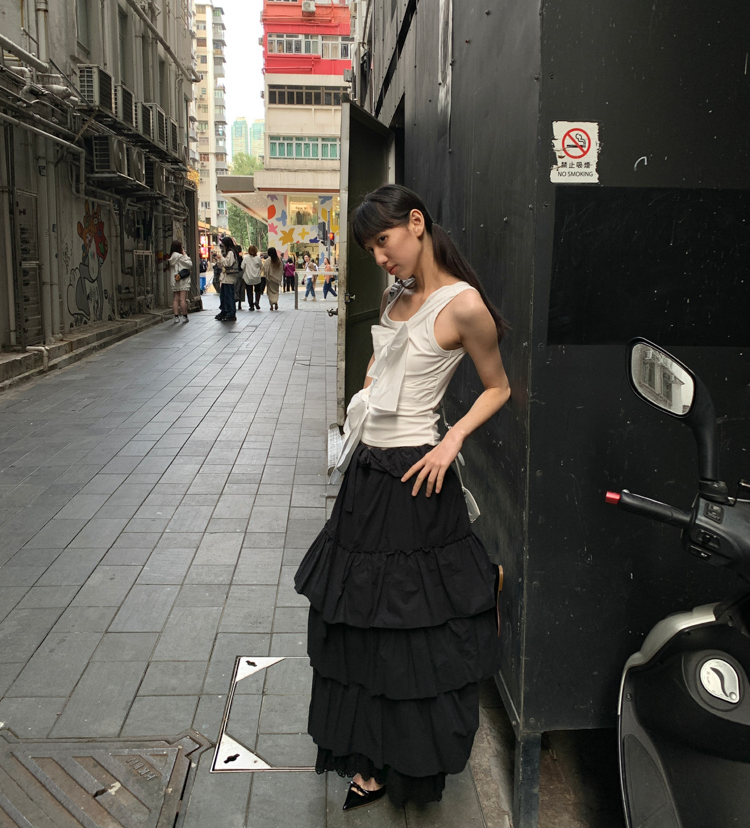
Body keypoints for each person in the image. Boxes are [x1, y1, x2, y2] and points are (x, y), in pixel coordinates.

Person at [294, 184, 511, 811]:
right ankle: (369, 757)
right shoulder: (396, 296)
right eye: (371, 249)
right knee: (360, 622)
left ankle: (409, 761)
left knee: (414, 627)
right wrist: (356, 425)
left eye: (383, 242)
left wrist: (452, 439)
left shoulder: (464, 305)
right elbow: (377, 374)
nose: (380, 258)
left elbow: (498, 387)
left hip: (419, 477)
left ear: (416, 223)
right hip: (368, 476)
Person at [214, 237, 240, 321]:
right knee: (224, 296)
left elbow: (227, 263)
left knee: (228, 296)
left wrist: (220, 258)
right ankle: (225, 311)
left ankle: (230, 313)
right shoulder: (228, 252)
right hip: (226, 278)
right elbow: (222, 264)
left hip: (229, 277)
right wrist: (219, 259)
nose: (222, 246)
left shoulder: (231, 253)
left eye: (223, 244)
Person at [168, 240, 192, 323]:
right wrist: (185, 254)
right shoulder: (180, 257)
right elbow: (189, 264)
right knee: (182, 299)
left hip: (174, 279)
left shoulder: (171, 257)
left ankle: (176, 317)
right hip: (182, 279)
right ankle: (185, 316)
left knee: (175, 299)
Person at [241, 245, 262, 310]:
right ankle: (257, 301)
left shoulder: (246, 258)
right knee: (257, 290)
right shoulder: (258, 258)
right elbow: (261, 266)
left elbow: (242, 267)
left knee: (249, 291)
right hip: (257, 277)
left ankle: (251, 306)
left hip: (248, 277)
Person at [263, 247, 283, 311]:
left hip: (270, 279)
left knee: (270, 292)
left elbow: (265, 269)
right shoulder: (279, 260)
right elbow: (281, 270)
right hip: (276, 279)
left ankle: (271, 305)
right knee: (276, 291)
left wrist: (266, 275)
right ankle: (276, 302)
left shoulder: (268, 260)